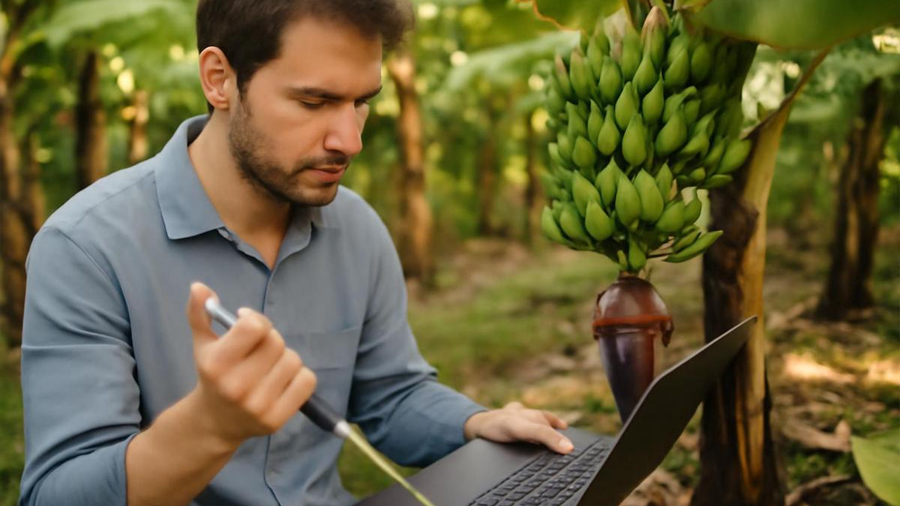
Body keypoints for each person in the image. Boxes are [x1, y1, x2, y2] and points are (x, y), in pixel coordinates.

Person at [18, 1, 575, 505]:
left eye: (361, 103)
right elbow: (57, 493)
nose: (350, 141)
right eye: (315, 101)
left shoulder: (356, 228)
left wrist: (476, 423)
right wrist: (209, 425)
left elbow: (390, 394)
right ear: (219, 80)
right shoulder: (86, 248)